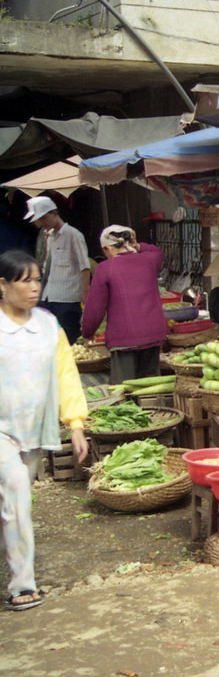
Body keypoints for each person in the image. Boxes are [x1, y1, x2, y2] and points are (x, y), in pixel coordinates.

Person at [0, 249, 88, 611]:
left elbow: (66, 375)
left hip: (33, 431)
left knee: (15, 504)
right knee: (17, 489)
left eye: (37, 279)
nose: (34, 287)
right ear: (2, 285)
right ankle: (23, 585)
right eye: (25, 281)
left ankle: (12, 560)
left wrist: (76, 424)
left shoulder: (49, 325)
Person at [81, 225, 168, 384]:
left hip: (124, 339)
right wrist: (138, 246)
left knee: (124, 388)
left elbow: (95, 308)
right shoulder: (148, 260)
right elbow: (157, 252)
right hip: (153, 335)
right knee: (150, 387)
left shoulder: (105, 268)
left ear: (108, 248)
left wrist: (88, 333)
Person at [25, 196, 90, 343]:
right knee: (48, 337)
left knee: (68, 338)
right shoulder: (47, 237)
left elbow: (84, 267)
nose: (41, 224)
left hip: (67, 298)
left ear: (54, 213)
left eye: (43, 219)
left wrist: (85, 293)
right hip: (47, 296)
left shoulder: (74, 235)